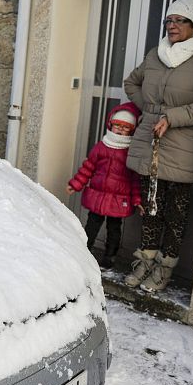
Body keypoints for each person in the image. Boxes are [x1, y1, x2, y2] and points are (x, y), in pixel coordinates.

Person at [123, 0, 193, 292]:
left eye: (180, 20)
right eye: (169, 20)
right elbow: (131, 83)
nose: (172, 25)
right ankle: (144, 261)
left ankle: (164, 268)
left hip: (186, 150)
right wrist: (151, 110)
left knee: (175, 217)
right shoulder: (156, 54)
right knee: (150, 211)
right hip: (151, 147)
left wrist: (171, 116)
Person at [67, 102, 143, 269]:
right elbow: (88, 167)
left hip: (118, 199)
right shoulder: (102, 146)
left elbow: (135, 179)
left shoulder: (131, 151)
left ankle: (110, 257)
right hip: (98, 195)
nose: (120, 130)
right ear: (110, 125)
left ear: (132, 130)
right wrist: (76, 184)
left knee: (114, 229)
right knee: (92, 225)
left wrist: (137, 200)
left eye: (125, 127)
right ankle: (84, 252)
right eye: (117, 125)